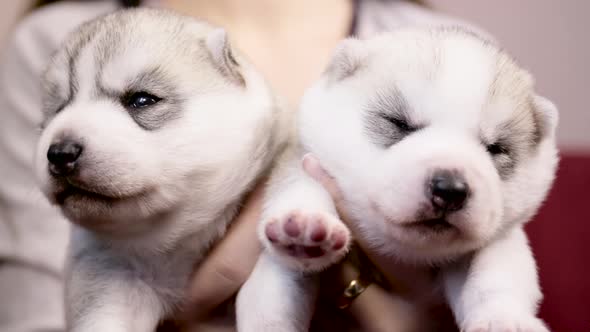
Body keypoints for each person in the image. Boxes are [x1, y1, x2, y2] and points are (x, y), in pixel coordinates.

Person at [0, 0, 480, 330]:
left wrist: (418, 313)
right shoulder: (55, 39)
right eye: (58, 108)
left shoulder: (454, 50)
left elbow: (482, 278)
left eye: (142, 99)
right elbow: (36, 315)